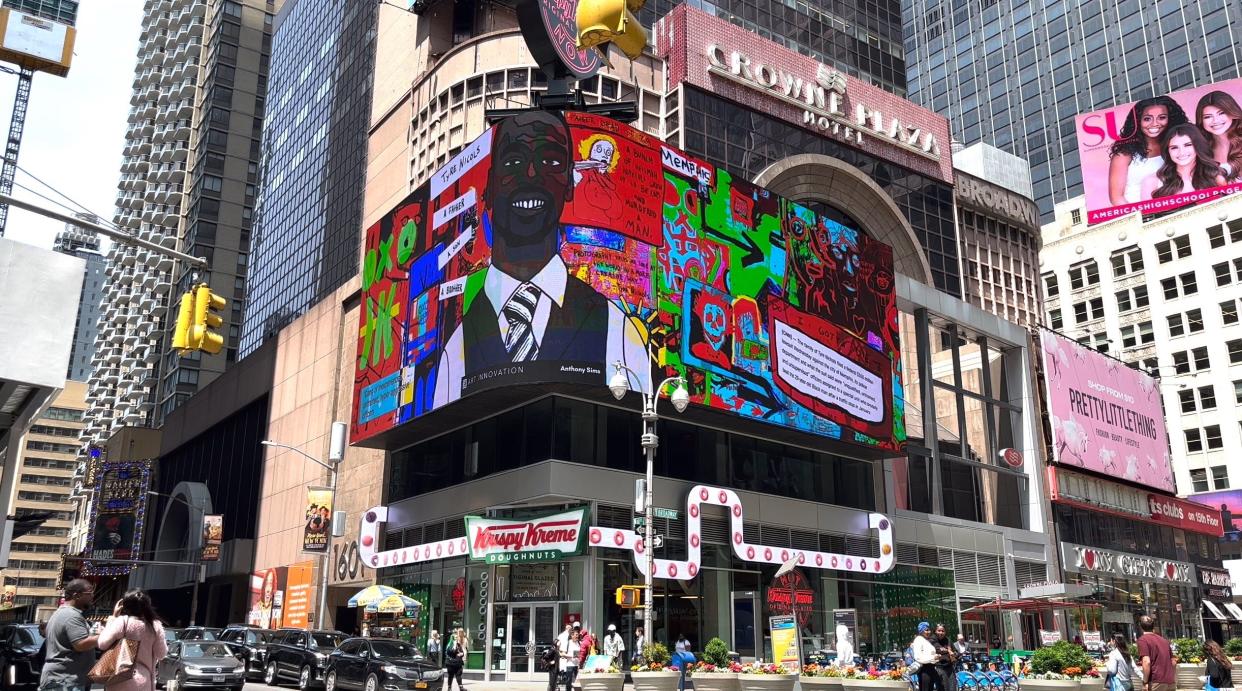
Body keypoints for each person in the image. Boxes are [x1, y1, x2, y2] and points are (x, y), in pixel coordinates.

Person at [433, 110, 649, 407]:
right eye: (513, 162)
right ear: (491, 186)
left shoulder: (618, 330)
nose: (531, 175)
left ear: (570, 183)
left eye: (550, 162)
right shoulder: (455, 350)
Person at [1107, 95, 1188, 205]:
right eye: (1147, 119)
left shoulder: (1179, 147)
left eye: (1162, 117)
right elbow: (1116, 199)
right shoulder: (1124, 155)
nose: (1155, 123)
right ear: (1137, 121)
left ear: (1171, 118)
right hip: (1141, 217)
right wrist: (1142, 218)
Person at [96, 589, 167, 691]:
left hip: (118, 678)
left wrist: (113, 617)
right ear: (147, 605)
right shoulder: (155, 626)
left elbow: (102, 644)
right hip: (143, 681)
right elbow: (161, 654)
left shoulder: (122, 622)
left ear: (125, 606)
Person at [39, 579, 99, 691]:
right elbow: (80, 644)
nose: (92, 596)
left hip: (63, 680)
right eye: (90, 593)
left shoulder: (63, 613)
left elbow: (82, 638)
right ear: (76, 595)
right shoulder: (72, 616)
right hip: (65, 681)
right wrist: (105, 634)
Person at [1140, 123, 1227, 199]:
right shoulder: (1152, 182)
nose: (1181, 152)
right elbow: (1148, 217)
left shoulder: (1215, 177)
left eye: (1187, 145)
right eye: (1174, 147)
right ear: (1168, 151)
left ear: (1198, 147)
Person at [1196, 90, 1242, 180]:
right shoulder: (1201, 150)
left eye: (1221, 113)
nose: (1215, 121)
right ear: (1201, 121)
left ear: (1232, 113)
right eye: (1208, 117)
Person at [1136, 615, 1174, 691]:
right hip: (1170, 681)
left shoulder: (1143, 640)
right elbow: (1173, 662)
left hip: (1156, 681)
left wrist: (1145, 681)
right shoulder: (1164, 640)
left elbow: (1146, 662)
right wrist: (1172, 678)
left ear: (1140, 627)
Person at [911, 622, 941, 691]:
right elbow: (918, 657)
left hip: (930, 668)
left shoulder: (925, 640)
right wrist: (933, 658)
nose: (929, 632)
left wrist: (935, 657)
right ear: (921, 631)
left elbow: (927, 654)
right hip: (924, 670)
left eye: (929, 630)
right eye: (926, 630)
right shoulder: (918, 640)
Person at [933, 624, 956, 691]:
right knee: (942, 687)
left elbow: (955, 652)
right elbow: (938, 650)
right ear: (935, 631)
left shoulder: (948, 640)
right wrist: (948, 651)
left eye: (943, 631)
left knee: (952, 687)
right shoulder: (933, 640)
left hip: (949, 667)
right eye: (939, 631)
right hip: (939, 667)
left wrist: (953, 654)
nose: (941, 633)